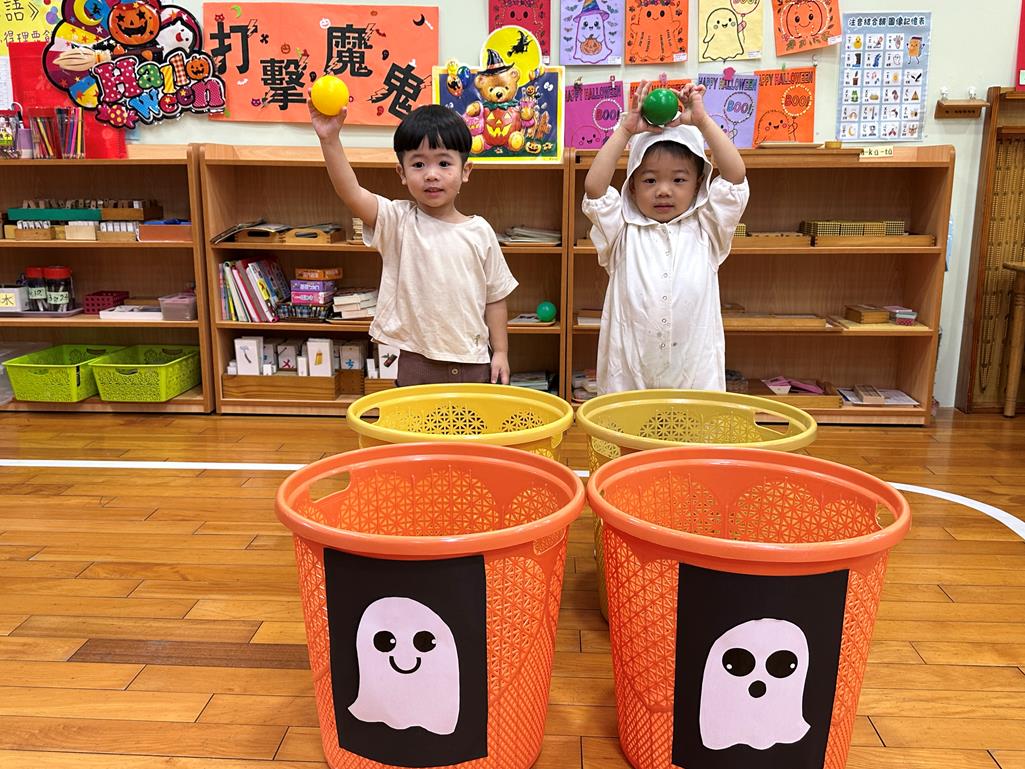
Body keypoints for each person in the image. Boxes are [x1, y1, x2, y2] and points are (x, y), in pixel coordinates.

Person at [310, 101, 517, 386]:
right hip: (416, 362)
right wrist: (329, 140)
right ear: (402, 173)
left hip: (474, 361)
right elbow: (351, 193)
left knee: (471, 418)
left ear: (465, 170)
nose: (431, 174)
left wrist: (501, 352)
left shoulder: (480, 232)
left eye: (444, 163)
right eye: (418, 164)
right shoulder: (398, 221)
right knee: (413, 417)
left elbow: (495, 298)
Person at [582, 80, 748, 393]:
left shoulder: (708, 228)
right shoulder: (622, 230)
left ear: (698, 184)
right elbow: (595, 190)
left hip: (694, 381)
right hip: (629, 381)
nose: (663, 190)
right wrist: (625, 131)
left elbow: (735, 177)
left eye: (679, 179)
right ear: (632, 186)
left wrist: (703, 122)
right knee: (628, 427)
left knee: (692, 428)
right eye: (649, 180)